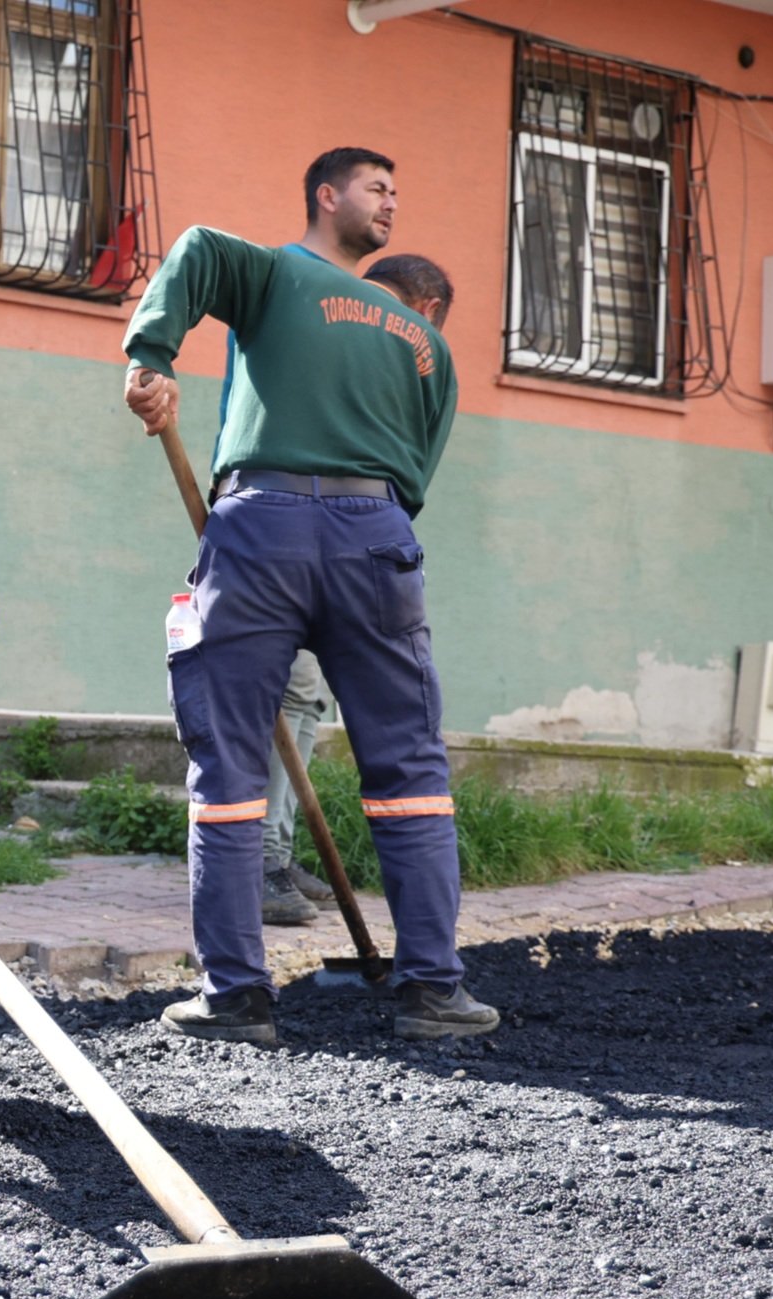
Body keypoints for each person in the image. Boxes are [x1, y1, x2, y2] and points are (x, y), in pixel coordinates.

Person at [122, 148, 498, 1043]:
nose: (391, 201)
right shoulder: (416, 338)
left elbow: (195, 252)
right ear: (326, 196)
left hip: (262, 528)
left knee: (229, 766)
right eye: (376, 187)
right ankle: (433, 992)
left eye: (398, 190)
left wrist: (151, 355)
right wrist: (362, 524)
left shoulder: (278, 279)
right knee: (408, 767)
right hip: (377, 540)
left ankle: (236, 997)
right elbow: (417, 474)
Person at [251, 254, 457, 926]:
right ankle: (257, 862)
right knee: (280, 692)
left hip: (312, 536)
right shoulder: (340, 324)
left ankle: (276, 851)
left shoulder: (332, 322)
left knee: (307, 694)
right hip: (293, 537)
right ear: (426, 311)